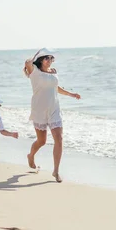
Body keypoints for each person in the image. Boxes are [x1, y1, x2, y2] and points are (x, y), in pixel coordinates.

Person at [23, 48, 81, 182]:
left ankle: (56, 171)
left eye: (51, 58)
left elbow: (56, 88)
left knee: (59, 139)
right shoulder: (34, 72)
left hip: (54, 109)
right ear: (41, 60)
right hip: (39, 109)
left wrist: (71, 94)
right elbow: (27, 62)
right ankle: (31, 155)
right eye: (47, 58)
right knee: (42, 141)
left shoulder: (53, 72)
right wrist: (36, 54)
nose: (50, 61)